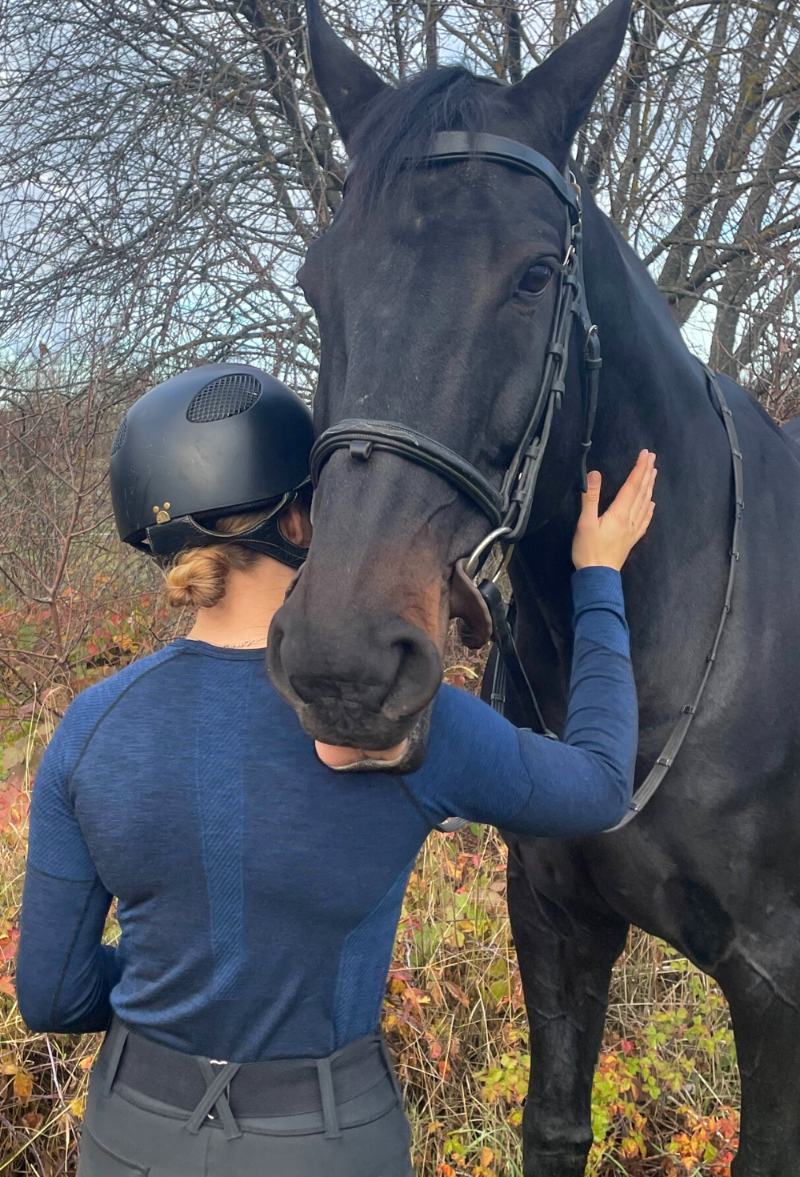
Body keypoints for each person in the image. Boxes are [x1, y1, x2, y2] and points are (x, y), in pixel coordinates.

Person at [16, 359, 656, 1177]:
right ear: (297, 522)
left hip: (130, 1130)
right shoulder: (396, 714)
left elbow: (53, 995)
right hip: (323, 1139)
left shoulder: (88, 727)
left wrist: (162, 983)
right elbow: (602, 785)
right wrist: (598, 580)